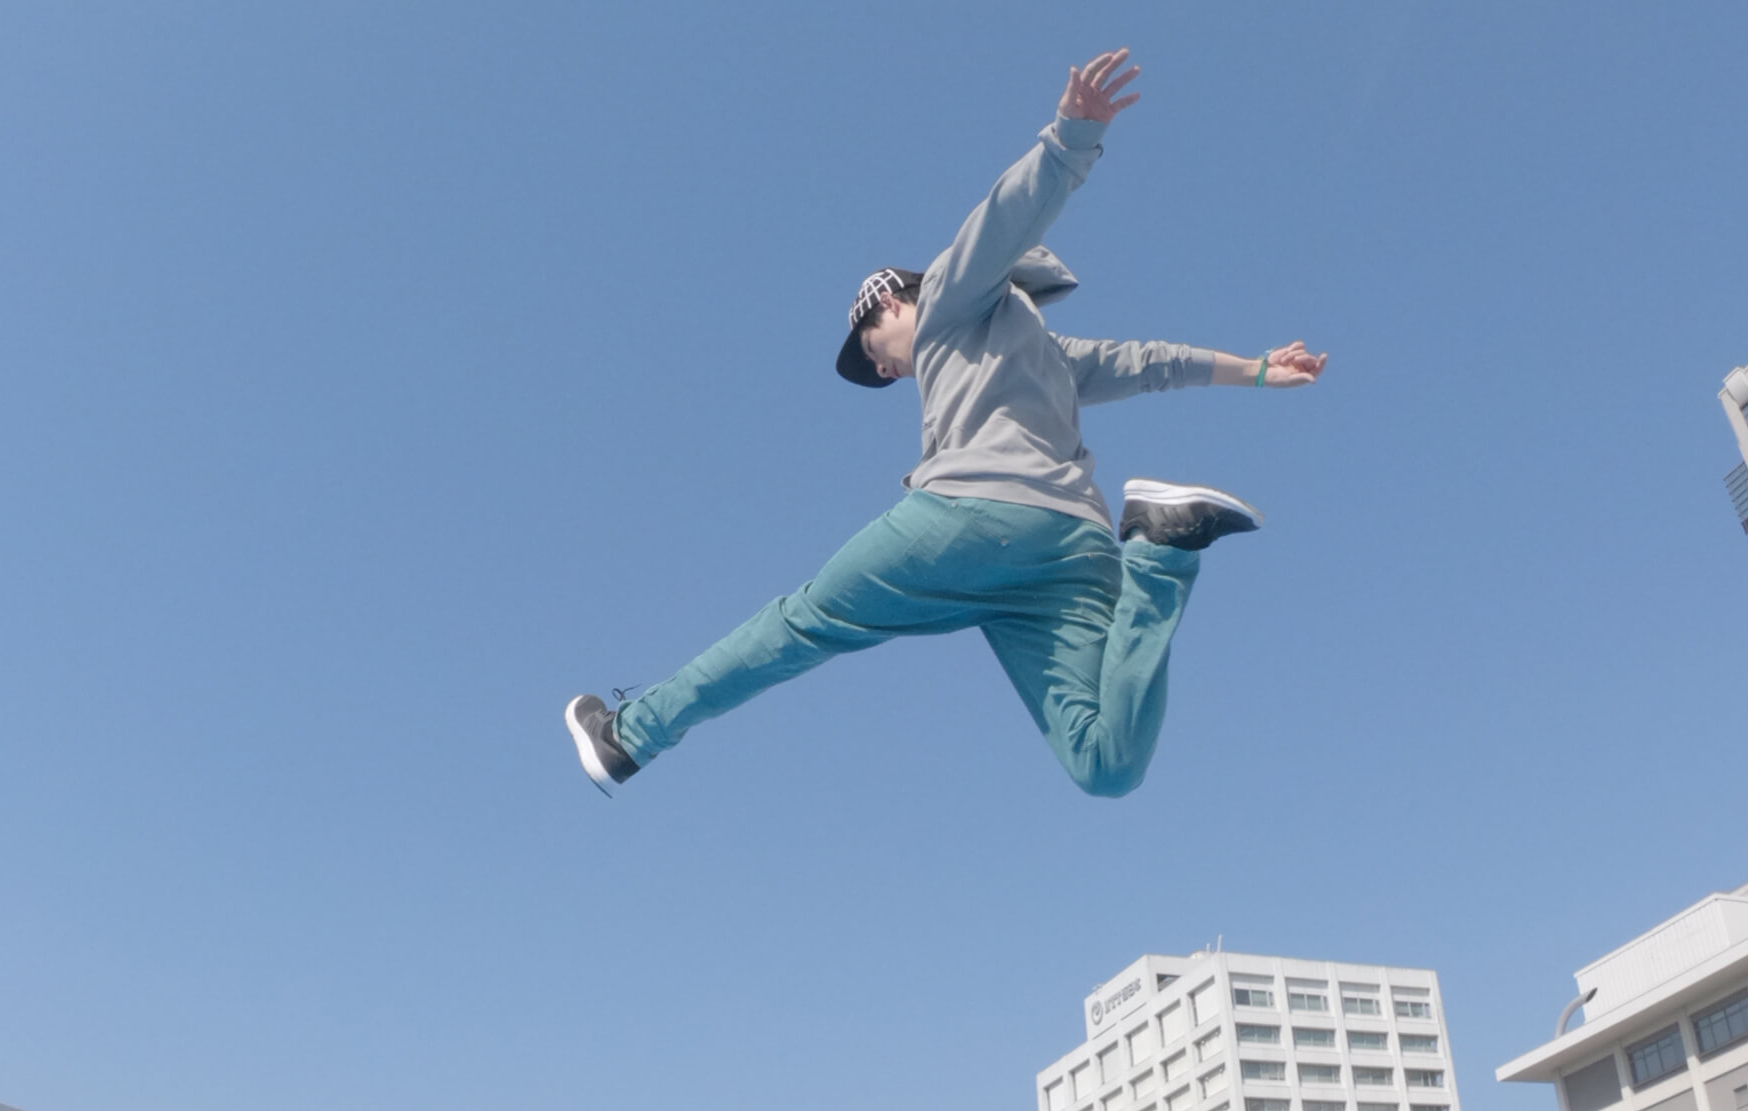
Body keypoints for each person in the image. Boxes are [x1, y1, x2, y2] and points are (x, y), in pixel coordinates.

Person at [565, 47, 1326, 798]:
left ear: (891, 302)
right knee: (1106, 765)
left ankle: (630, 736)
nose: (887, 370)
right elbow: (1151, 362)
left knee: (804, 624)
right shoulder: (1050, 356)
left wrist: (1070, 138)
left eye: (875, 352)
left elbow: (1001, 222)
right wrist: (1257, 369)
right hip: (1064, 549)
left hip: (971, 516)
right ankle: (1161, 550)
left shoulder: (945, 302)